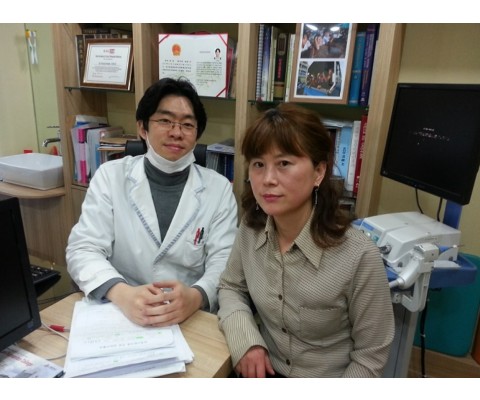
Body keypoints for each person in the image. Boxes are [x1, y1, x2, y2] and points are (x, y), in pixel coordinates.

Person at [217, 103, 395, 378]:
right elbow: (231, 287)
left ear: (318, 172)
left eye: (284, 164)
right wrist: (246, 340)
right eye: (258, 165)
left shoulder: (358, 256)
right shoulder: (251, 227)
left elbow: (370, 356)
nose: (268, 179)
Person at [66, 77, 238, 328]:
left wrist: (196, 296)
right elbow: (83, 249)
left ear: (197, 134)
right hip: (121, 312)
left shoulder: (218, 189)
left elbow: (224, 262)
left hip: (189, 318)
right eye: (165, 121)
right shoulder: (110, 176)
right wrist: (122, 294)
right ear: (142, 128)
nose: (176, 132)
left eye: (187, 124)